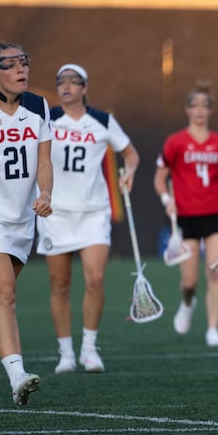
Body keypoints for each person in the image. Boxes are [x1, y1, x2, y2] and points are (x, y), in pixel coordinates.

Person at [36, 63, 139, 374]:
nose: (66, 86)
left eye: (73, 81)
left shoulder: (102, 120)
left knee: (94, 279)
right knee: (61, 284)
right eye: (61, 82)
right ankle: (65, 353)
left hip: (95, 211)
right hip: (55, 212)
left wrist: (129, 173)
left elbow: (130, 153)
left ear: (84, 87)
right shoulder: (46, 119)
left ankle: (89, 349)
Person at [0, 40, 53, 405]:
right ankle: (18, 376)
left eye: (24, 61)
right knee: (4, 296)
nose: (20, 69)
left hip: (22, 222)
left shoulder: (38, 105)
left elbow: (44, 161)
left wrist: (45, 194)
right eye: (10, 64)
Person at [154, 80, 218, 347]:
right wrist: (167, 199)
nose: (200, 111)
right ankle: (188, 303)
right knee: (189, 280)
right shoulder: (175, 142)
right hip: (186, 216)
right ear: (187, 110)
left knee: (214, 272)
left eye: (205, 106)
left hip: (215, 213)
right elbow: (160, 178)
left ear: (210, 111)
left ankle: (213, 329)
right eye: (195, 106)